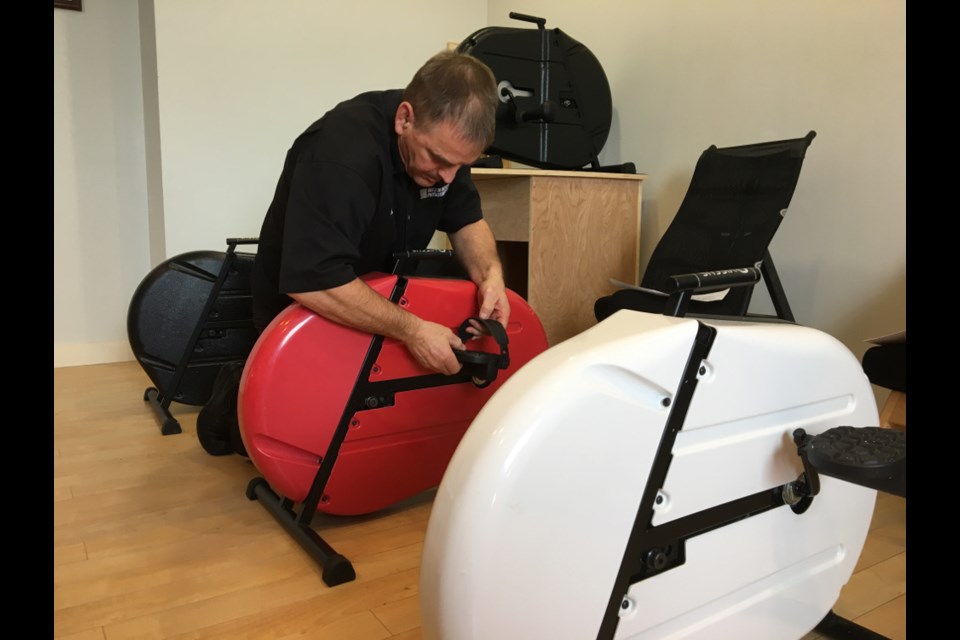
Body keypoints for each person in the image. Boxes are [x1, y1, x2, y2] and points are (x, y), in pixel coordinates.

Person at [198, 50, 510, 455]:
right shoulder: (342, 153)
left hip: (382, 299)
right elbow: (314, 282)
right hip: (306, 306)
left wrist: (491, 276)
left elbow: (467, 220)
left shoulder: (444, 146)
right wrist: (414, 330)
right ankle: (233, 394)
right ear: (404, 118)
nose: (448, 175)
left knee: (374, 422)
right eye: (438, 160)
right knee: (296, 441)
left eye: (460, 165)